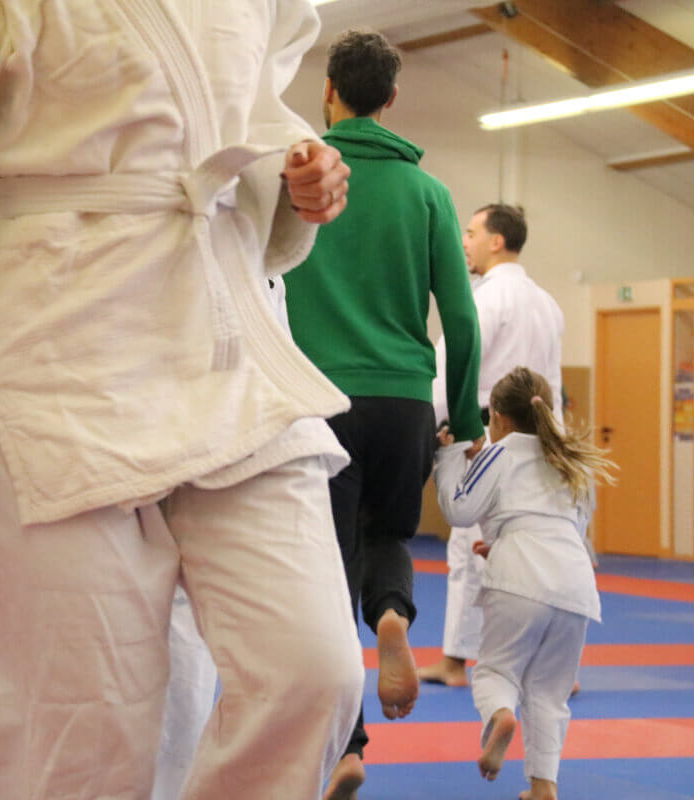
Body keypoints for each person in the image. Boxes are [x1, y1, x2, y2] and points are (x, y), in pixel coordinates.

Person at [0, 1, 366, 797]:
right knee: (80, 727)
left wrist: (295, 165)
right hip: (53, 338)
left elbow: (253, 99)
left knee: (313, 673)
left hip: (223, 331)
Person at [280, 28, 483, 798]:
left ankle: (346, 745)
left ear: (327, 91)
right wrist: (462, 419)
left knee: (323, 572)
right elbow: (461, 321)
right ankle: (392, 616)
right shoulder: (429, 193)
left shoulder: (297, 181)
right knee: (388, 536)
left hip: (314, 397)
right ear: (393, 100)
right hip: (402, 397)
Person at [434, 366, 615, 800]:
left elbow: (459, 511)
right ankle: (543, 786)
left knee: (496, 671)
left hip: (518, 577)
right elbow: (572, 526)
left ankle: (501, 715)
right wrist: (502, 543)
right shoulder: (572, 461)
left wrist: (447, 460)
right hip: (575, 585)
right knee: (550, 695)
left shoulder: (501, 453)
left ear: (497, 417)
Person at [419, 203, 564, 688]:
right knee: (540, 546)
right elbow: (555, 383)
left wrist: (430, 423)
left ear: (497, 241)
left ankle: (456, 661)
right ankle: (552, 662)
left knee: (469, 548)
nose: (465, 242)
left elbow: (451, 367)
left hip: (490, 436)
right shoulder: (548, 303)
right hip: (544, 439)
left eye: (472, 232)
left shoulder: (483, 298)